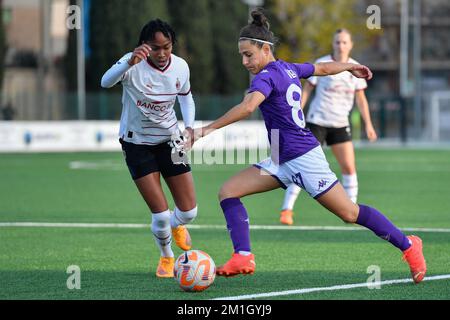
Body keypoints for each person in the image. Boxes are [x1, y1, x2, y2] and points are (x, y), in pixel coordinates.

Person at [190, 9, 426, 283]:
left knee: (350, 213)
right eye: (241, 55)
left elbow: (248, 107)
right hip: (280, 157)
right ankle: (243, 255)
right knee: (228, 191)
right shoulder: (289, 68)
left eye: (248, 54)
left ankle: (409, 246)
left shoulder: (265, 77)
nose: (244, 61)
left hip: (303, 157)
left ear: (265, 49)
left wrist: (204, 130)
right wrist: (350, 66)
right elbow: (324, 69)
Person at [101, 19, 197, 278]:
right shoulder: (131, 64)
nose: (163, 53)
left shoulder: (180, 66)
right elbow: (105, 82)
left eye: (167, 47)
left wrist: (189, 128)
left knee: (189, 212)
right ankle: (167, 258)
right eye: (156, 48)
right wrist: (128, 62)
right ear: (144, 47)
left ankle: (177, 226)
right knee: (161, 215)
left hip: (171, 140)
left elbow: (186, 98)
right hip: (136, 145)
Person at [280, 28, 377, 226]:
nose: (340, 45)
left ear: (350, 45)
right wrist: (296, 113)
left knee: (349, 167)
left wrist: (368, 124)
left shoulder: (355, 68)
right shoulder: (324, 64)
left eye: (344, 42)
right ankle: (287, 210)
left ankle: (352, 209)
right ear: (333, 45)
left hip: (340, 124)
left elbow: (361, 100)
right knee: (302, 167)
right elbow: (306, 90)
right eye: (337, 42)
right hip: (318, 122)